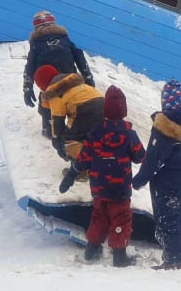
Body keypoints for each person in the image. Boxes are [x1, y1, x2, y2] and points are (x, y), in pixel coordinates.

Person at [59, 85, 146, 267]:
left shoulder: (94, 134)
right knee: (121, 218)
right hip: (120, 189)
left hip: (99, 187)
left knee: (99, 216)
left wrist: (71, 175)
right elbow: (140, 157)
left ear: (104, 111)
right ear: (124, 110)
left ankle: (91, 250)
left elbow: (83, 158)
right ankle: (119, 255)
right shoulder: (129, 135)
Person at [132, 79, 181, 270]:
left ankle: (174, 258)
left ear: (165, 102)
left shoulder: (164, 129)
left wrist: (139, 180)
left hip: (167, 184)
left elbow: (153, 159)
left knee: (167, 221)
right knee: (179, 216)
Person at [23, 10, 95, 139]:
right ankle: (75, 126)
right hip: (71, 80)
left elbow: (30, 66)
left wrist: (27, 87)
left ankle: (49, 127)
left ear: (36, 27)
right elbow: (79, 56)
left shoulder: (36, 43)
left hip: (50, 85)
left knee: (46, 105)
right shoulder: (64, 38)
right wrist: (88, 77)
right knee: (73, 104)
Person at [34, 65, 104, 164]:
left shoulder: (54, 92)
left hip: (83, 109)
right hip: (102, 104)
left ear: (43, 85)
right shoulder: (72, 81)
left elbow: (58, 120)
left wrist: (57, 141)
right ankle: (103, 162)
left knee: (70, 138)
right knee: (96, 135)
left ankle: (80, 169)